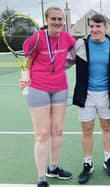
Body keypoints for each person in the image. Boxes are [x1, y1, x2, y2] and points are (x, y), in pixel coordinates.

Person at [20, 6, 76, 187]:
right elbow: (26, 64)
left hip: (60, 88)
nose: (58, 22)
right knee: (43, 134)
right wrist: (24, 77)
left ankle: (54, 168)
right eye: (54, 19)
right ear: (46, 20)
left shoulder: (67, 38)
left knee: (57, 131)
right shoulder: (35, 40)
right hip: (38, 88)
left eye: (60, 19)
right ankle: (41, 177)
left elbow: (80, 51)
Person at [66, 14, 110, 184]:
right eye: (91, 26)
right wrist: (43, 69)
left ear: (105, 28)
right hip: (86, 95)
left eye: (98, 26)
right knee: (87, 130)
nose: (95, 30)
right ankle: (88, 164)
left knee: (106, 127)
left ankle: (107, 160)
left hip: (107, 94)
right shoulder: (80, 45)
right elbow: (65, 62)